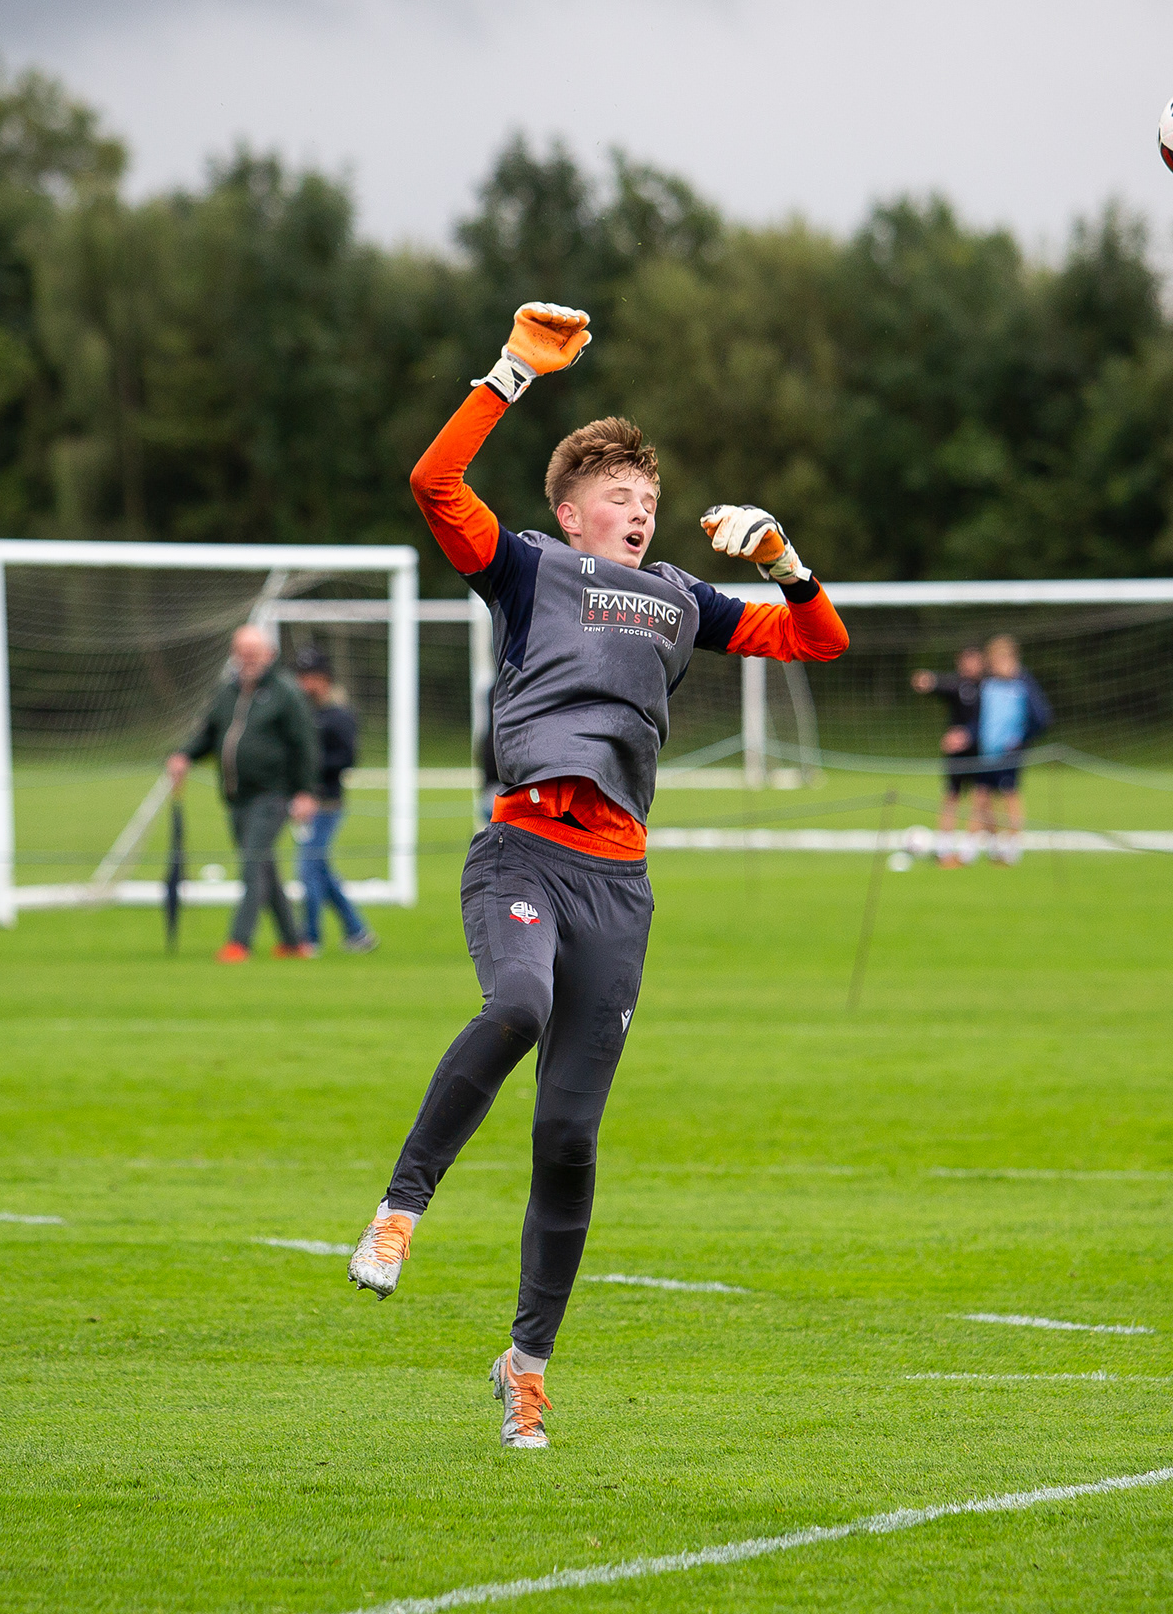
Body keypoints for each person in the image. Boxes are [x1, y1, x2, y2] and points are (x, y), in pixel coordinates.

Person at [344, 301, 849, 1450]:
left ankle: (524, 1369)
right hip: (522, 850)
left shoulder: (679, 598)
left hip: (619, 887)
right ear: (571, 512)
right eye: (620, 496)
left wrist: (784, 561)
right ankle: (400, 1209)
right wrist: (510, 373)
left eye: (649, 500)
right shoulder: (528, 567)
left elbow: (818, 642)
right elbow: (432, 482)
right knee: (516, 1005)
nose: (640, 511)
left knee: (569, 1139)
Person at [166, 624, 318, 962]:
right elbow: (208, 734)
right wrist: (183, 756)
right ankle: (293, 942)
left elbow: (305, 744)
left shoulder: (285, 693)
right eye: (241, 653)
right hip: (237, 797)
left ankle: (239, 942)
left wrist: (306, 791)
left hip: (272, 795)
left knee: (252, 863)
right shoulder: (227, 692)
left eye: (253, 653)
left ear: (269, 654)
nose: (247, 659)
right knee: (264, 867)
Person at [290, 646, 379, 956]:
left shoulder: (339, 715)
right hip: (303, 802)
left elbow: (347, 758)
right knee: (320, 869)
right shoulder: (300, 713)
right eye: (301, 677)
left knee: (308, 868)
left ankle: (309, 939)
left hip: (326, 803)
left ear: (324, 679)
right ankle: (357, 932)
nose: (305, 684)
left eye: (311, 677)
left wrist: (310, 766)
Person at [970, 633, 1053, 862]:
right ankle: (993, 845)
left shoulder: (1023, 683)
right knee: (981, 797)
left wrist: (1021, 739)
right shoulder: (987, 684)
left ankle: (1012, 848)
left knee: (1009, 794)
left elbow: (1042, 717)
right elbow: (979, 718)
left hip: (1009, 752)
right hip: (986, 751)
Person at [910, 645, 986, 866]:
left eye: (973, 659)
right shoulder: (959, 685)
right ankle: (944, 851)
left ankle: (968, 852)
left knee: (980, 798)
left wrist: (969, 734)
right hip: (957, 753)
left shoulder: (990, 686)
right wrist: (929, 681)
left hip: (983, 751)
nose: (969, 664)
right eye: (965, 660)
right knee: (951, 796)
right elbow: (942, 685)